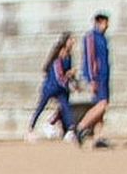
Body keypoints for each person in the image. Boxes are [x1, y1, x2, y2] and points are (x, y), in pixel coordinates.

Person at [26, 32, 78, 143]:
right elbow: (59, 74)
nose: (73, 42)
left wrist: (73, 81)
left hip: (61, 88)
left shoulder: (69, 56)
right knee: (40, 107)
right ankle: (30, 129)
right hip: (51, 87)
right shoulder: (59, 56)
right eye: (71, 40)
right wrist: (69, 77)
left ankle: (69, 131)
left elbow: (67, 73)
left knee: (66, 108)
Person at [76, 13, 111, 146]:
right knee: (102, 105)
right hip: (98, 77)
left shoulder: (103, 38)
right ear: (100, 22)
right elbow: (90, 59)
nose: (107, 25)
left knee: (102, 107)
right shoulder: (91, 37)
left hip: (104, 76)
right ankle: (81, 127)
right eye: (105, 22)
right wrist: (92, 79)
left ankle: (98, 138)